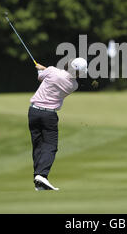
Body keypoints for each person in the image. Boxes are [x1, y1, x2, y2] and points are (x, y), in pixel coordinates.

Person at [28, 58, 88, 191]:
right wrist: (44, 70)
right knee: (50, 146)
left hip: (33, 111)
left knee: (37, 145)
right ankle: (42, 175)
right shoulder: (74, 85)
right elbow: (51, 77)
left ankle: (38, 180)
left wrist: (41, 70)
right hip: (49, 115)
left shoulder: (51, 71)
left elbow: (41, 78)